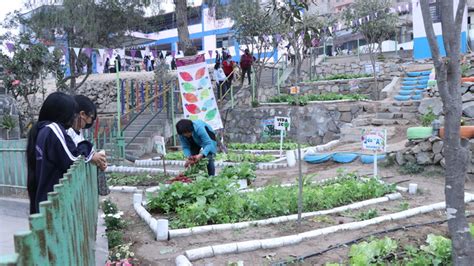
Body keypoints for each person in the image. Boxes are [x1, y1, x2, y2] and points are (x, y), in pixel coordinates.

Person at [26, 92, 95, 214]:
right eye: (73, 114)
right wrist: (88, 149)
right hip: (55, 203)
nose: (74, 118)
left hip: (45, 202)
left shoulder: (41, 130)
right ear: (64, 114)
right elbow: (74, 158)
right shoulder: (53, 129)